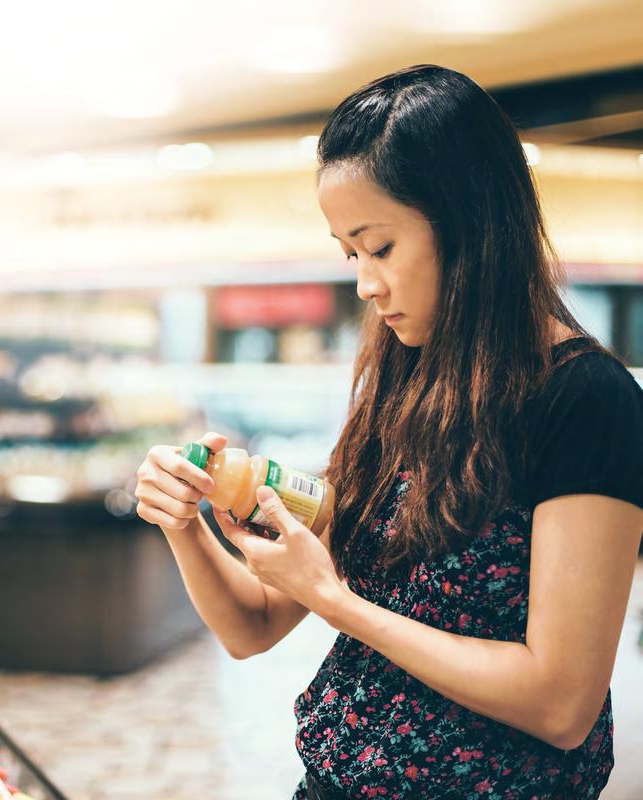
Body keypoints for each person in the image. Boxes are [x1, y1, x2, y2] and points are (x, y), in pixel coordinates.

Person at [134, 64, 643, 799]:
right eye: (349, 254)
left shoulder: (585, 399)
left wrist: (339, 604)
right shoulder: (405, 382)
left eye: (379, 247)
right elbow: (253, 627)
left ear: (469, 223)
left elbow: (559, 703)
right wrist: (184, 521)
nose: (366, 285)